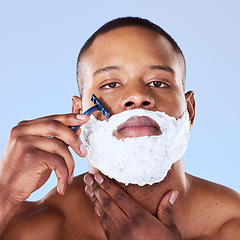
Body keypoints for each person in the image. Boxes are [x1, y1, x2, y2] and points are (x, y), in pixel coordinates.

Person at [0, 17, 239, 240]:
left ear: (190, 111)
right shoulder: (28, 229)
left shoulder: (232, 225)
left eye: (158, 83)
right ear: (78, 112)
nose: (137, 97)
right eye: (111, 84)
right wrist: (5, 195)